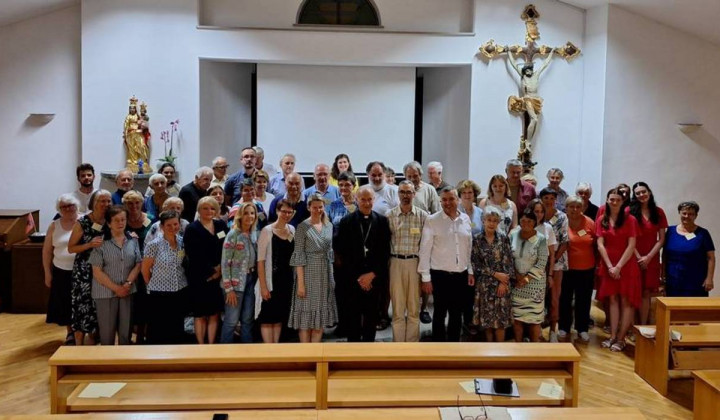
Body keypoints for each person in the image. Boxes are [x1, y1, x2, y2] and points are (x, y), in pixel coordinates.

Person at [334, 187, 391, 342]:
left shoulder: (382, 221)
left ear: (374, 200)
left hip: (374, 278)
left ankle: (368, 352)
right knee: (353, 317)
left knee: (371, 317)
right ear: (356, 200)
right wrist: (359, 277)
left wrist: (372, 275)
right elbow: (342, 253)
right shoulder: (346, 222)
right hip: (353, 280)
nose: (366, 203)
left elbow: (385, 252)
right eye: (363, 199)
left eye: (369, 199)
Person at [418, 186, 474, 342]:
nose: (447, 202)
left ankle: (454, 349)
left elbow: (468, 248)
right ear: (440, 201)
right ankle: (438, 349)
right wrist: (425, 278)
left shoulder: (465, 219)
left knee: (456, 313)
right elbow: (424, 249)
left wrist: (470, 271)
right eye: (444, 200)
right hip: (440, 275)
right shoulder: (432, 220)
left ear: (458, 200)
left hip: (460, 275)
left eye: (451, 199)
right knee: (440, 313)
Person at [596, 188, 641, 352]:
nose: (614, 202)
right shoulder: (602, 219)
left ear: (623, 202)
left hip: (626, 265)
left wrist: (618, 266)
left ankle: (621, 338)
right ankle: (613, 335)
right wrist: (609, 266)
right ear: (607, 200)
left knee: (626, 301)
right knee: (612, 300)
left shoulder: (630, 220)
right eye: (611, 199)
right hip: (609, 265)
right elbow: (600, 244)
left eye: (618, 200)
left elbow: (631, 245)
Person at [89, 205, 141, 345]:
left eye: (123, 219)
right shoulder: (100, 242)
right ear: (108, 223)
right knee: (107, 334)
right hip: (105, 292)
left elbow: (138, 264)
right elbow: (97, 271)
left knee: (126, 332)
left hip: (128, 291)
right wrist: (116, 288)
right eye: (116, 220)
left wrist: (127, 284)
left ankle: (124, 362)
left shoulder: (133, 240)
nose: (120, 223)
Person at [289, 194, 338, 342]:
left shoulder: (329, 226)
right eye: (314, 207)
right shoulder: (302, 227)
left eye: (320, 207)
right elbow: (298, 256)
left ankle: (316, 354)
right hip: (308, 273)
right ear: (309, 207)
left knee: (319, 320)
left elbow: (330, 253)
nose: (317, 210)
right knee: (306, 320)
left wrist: (332, 278)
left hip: (325, 274)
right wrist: (301, 285)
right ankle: (306, 354)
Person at [68, 189, 112, 345]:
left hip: (104, 270)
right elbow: (71, 248)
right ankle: (79, 345)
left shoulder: (110, 221)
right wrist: (89, 244)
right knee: (82, 306)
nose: (106, 204)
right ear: (94, 203)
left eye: (108, 201)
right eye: (102, 201)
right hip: (84, 271)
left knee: (98, 308)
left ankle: (95, 342)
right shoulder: (83, 222)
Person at [386, 181, 428, 342]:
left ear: (414, 194)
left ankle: (412, 347)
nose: (405, 195)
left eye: (408, 192)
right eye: (402, 192)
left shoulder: (423, 216)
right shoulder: (389, 216)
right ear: (398, 194)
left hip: (415, 263)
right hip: (395, 262)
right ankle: (398, 347)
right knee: (397, 308)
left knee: (413, 308)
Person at [183, 197, 227, 344]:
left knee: (214, 313)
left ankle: (211, 344)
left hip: (219, 275)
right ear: (199, 210)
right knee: (200, 313)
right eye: (205, 208)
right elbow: (193, 254)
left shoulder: (221, 225)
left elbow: (226, 247)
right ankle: (200, 345)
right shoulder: (192, 228)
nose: (209, 211)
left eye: (213, 208)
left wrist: (220, 269)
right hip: (199, 277)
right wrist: (211, 271)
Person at [142, 210, 189, 344]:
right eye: (169, 225)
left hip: (180, 289)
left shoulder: (182, 242)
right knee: (159, 327)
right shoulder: (153, 245)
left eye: (175, 224)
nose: (173, 227)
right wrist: (152, 285)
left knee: (177, 325)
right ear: (161, 227)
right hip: (160, 292)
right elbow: (145, 270)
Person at [471, 207, 515, 342]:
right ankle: (490, 351)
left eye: (495, 221)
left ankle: (500, 355)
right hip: (484, 286)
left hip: (501, 285)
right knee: (487, 322)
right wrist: (494, 273)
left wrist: (503, 282)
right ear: (483, 221)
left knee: (500, 322)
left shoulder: (503, 239)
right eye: (489, 220)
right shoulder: (477, 240)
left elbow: (509, 262)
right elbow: (475, 264)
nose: (491, 223)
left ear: (498, 223)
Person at [257, 199, 296, 343]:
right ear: (277, 211)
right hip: (270, 279)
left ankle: (276, 349)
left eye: (289, 212)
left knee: (279, 316)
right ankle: (269, 349)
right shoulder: (267, 231)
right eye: (283, 211)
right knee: (268, 317)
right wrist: (263, 286)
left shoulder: (292, 229)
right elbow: (260, 261)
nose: (286, 214)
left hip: (286, 281)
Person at [629, 182, 668, 324]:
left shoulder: (659, 212)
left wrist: (648, 257)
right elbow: (627, 238)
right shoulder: (629, 211)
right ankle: (631, 327)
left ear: (649, 192)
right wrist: (639, 257)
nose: (641, 195)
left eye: (643, 191)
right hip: (632, 257)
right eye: (638, 193)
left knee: (646, 293)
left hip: (651, 259)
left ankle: (642, 326)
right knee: (633, 293)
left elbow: (662, 239)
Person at [559, 196, 596, 343]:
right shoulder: (561, 221)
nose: (575, 209)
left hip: (587, 268)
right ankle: (564, 327)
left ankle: (582, 328)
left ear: (583, 208)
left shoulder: (589, 222)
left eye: (578, 207)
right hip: (566, 268)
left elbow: (596, 244)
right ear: (566, 208)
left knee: (584, 299)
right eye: (571, 206)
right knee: (565, 299)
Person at [43, 194, 80, 344]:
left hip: (82, 271)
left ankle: (86, 331)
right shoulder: (54, 225)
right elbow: (46, 251)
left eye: (70, 205)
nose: (68, 209)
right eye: (64, 207)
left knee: (82, 302)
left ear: (76, 205)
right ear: (59, 209)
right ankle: (70, 332)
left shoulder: (85, 220)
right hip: (61, 271)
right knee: (65, 303)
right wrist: (47, 273)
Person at [220, 202, 258, 343]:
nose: (250, 216)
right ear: (240, 215)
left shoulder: (254, 234)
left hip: (251, 280)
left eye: (252, 213)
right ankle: (224, 354)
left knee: (248, 319)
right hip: (235, 283)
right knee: (231, 320)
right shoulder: (233, 234)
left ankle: (247, 352)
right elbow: (225, 262)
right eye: (246, 213)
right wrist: (228, 288)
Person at [510, 209, 549, 342]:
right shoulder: (513, 235)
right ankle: (518, 347)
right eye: (523, 221)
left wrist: (526, 278)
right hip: (516, 283)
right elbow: (508, 258)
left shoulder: (541, 239)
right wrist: (516, 276)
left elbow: (542, 261)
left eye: (529, 221)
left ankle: (535, 350)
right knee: (517, 318)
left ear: (535, 222)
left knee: (534, 319)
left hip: (535, 285)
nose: (526, 223)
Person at [663, 201, 715, 297]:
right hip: (673, 280)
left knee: (695, 310)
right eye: (684, 213)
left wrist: (709, 278)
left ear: (696, 216)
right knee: (674, 309)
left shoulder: (703, 233)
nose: (687, 216)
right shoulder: (670, 231)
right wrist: (662, 276)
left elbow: (711, 258)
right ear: (680, 213)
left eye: (691, 214)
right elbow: (664, 255)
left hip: (696, 281)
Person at [539, 187, 569, 342]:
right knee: (538, 297)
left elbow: (565, 241)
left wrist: (554, 259)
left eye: (552, 198)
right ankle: (536, 330)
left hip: (556, 263)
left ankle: (552, 330)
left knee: (554, 298)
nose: (549, 201)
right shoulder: (537, 216)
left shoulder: (562, 217)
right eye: (546, 198)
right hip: (537, 264)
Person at [123, 191, 153, 345]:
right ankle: (126, 337)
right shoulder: (122, 221)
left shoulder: (150, 220)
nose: (134, 206)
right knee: (129, 302)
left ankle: (142, 335)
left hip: (147, 266)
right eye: (130, 203)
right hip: (127, 266)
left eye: (137, 203)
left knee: (144, 301)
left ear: (142, 203)